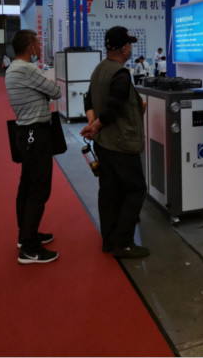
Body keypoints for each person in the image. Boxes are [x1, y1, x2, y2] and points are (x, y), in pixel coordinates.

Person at [81, 26, 149, 259]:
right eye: (129, 44)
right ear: (124, 48)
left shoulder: (99, 69)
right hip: (122, 144)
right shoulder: (120, 74)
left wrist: (93, 123)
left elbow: (89, 99)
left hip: (103, 144)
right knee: (135, 190)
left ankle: (109, 240)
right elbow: (113, 109)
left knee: (109, 190)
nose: (130, 48)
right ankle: (124, 243)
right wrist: (96, 125)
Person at [5, 29, 62, 264]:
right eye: (37, 43)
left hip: (24, 133)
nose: (40, 47)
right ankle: (29, 248)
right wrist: (47, 87)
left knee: (27, 186)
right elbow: (56, 92)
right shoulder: (28, 69)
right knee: (39, 189)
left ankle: (26, 235)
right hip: (35, 134)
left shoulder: (12, 69)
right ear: (29, 47)